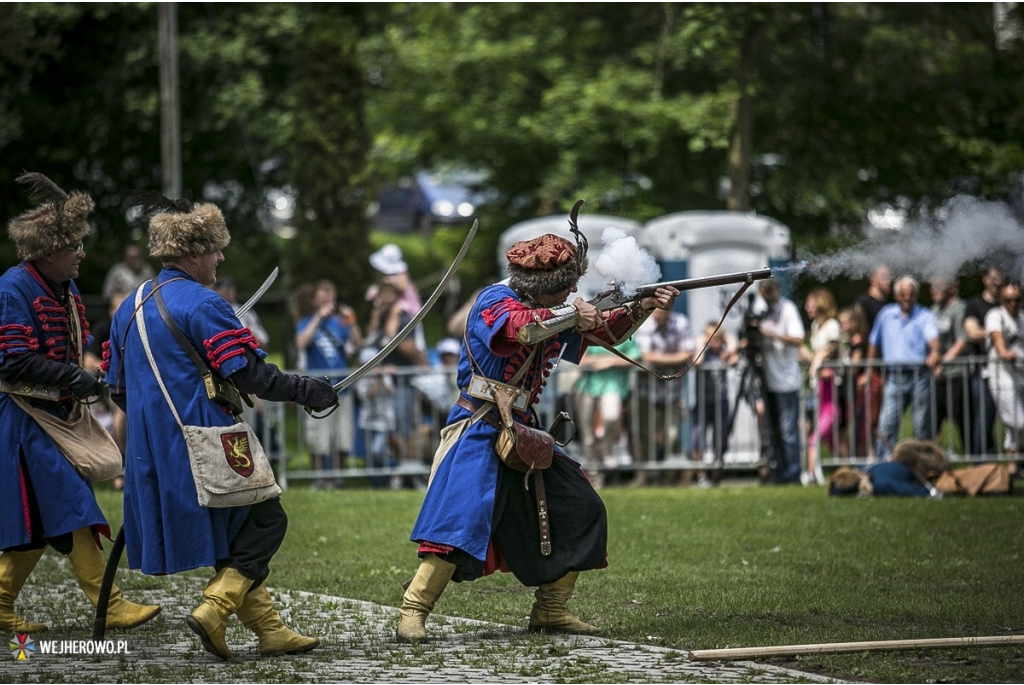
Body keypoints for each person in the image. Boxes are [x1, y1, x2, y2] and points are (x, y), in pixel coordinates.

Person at [397, 231, 678, 642]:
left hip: (524, 429)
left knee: (583, 506)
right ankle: (413, 612)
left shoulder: (550, 308)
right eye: (566, 287)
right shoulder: (494, 301)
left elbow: (603, 333)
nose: (573, 292)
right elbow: (520, 331)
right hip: (480, 424)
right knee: (458, 522)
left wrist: (645, 305)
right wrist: (572, 314)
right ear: (543, 287)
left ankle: (551, 609)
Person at [0, 172, 159, 634]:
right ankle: (109, 604)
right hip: (23, 417)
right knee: (73, 505)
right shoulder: (13, 289)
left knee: (43, 519)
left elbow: (78, 343)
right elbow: (10, 360)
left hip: (58, 414)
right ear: (49, 252)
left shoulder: (64, 287)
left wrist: (96, 371)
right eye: (74, 248)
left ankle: (1, 600)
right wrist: (72, 376)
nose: (82, 255)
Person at [294, 279, 361, 490]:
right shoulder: (305, 322)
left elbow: (357, 345)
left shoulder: (340, 323)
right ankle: (319, 479)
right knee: (318, 438)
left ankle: (337, 478)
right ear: (314, 301)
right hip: (316, 389)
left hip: (342, 387)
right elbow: (301, 343)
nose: (327, 301)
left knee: (342, 437)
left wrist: (352, 321)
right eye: (322, 298)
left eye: (330, 297)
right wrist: (318, 319)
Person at [866, 275, 940, 458]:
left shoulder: (925, 315)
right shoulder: (886, 314)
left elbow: (933, 339)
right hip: (895, 377)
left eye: (911, 294)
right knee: (887, 423)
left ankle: (923, 464)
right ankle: (883, 464)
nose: (907, 297)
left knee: (921, 425)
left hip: (919, 376)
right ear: (896, 295)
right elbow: (874, 343)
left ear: (916, 295)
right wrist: (868, 370)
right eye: (903, 294)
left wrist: (935, 352)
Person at [749, 278, 805, 484]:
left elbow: (798, 338)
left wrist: (770, 334)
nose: (768, 294)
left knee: (788, 431)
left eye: (771, 290)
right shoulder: (758, 308)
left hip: (786, 380)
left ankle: (793, 473)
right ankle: (779, 471)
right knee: (772, 431)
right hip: (766, 379)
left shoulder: (788, 309)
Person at [633, 305, 694, 486]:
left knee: (672, 435)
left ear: (670, 310)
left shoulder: (681, 322)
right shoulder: (643, 325)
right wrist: (673, 360)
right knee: (644, 435)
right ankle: (647, 476)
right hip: (646, 391)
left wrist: (658, 361)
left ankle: (670, 477)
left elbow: (687, 354)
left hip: (672, 392)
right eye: (654, 310)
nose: (656, 313)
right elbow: (644, 356)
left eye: (661, 310)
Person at [574, 337, 642, 486]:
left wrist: (608, 361)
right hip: (586, 386)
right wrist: (604, 359)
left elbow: (635, 357)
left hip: (613, 385)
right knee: (587, 436)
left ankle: (607, 451)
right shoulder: (590, 331)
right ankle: (594, 476)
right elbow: (579, 357)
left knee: (612, 417)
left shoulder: (626, 333)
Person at [83, 289, 131, 491]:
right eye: (120, 309)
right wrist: (111, 368)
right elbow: (88, 361)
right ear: (112, 311)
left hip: (133, 383)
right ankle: (122, 466)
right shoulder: (104, 328)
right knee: (122, 412)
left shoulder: (135, 329)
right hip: (109, 385)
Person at [688, 321, 737, 487]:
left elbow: (734, 355)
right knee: (697, 439)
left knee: (720, 440)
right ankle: (701, 475)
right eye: (711, 336)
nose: (714, 340)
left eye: (718, 336)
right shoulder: (703, 352)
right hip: (702, 403)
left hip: (721, 402)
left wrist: (729, 343)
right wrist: (701, 344)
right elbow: (698, 362)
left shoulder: (724, 353)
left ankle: (716, 474)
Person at [801, 288, 841, 485]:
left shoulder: (832, 325)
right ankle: (848, 469)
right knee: (833, 441)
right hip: (817, 388)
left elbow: (832, 349)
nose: (807, 306)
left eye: (811, 302)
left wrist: (817, 361)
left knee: (817, 436)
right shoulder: (816, 325)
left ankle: (810, 475)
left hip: (829, 388)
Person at [964, 266, 1003, 456]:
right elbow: (972, 332)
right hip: (983, 372)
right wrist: (998, 333)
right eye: (992, 277)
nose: (996, 281)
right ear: (984, 279)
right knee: (983, 420)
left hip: (1008, 371)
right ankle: (981, 463)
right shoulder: (974, 304)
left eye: (999, 277)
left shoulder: (1009, 304)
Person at [984, 281, 1024, 460]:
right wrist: (1003, 351)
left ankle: (1012, 466)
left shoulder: (1022, 317)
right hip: (1002, 376)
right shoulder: (995, 315)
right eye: (1008, 300)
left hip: (1020, 374)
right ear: (1002, 299)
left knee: (1012, 428)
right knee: (1018, 421)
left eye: (1017, 299)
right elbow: (996, 335)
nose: (1013, 304)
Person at [929, 277, 969, 450]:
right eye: (931, 286)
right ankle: (932, 462)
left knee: (961, 419)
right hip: (937, 376)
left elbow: (962, 342)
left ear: (951, 286)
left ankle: (971, 460)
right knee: (933, 420)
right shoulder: (934, 310)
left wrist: (941, 363)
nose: (933, 290)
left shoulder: (960, 308)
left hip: (956, 374)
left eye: (938, 285)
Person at [836, 305, 877, 458]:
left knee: (862, 431)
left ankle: (863, 463)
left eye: (844, 323)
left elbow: (855, 366)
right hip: (851, 393)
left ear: (854, 324)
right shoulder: (850, 343)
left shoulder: (858, 344)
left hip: (859, 394)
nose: (842, 327)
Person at [856, 264, 892, 337]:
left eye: (890, 277)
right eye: (884, 277)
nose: (889, 281)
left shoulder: (889, 304)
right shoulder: (863, 303)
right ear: (872, 278)